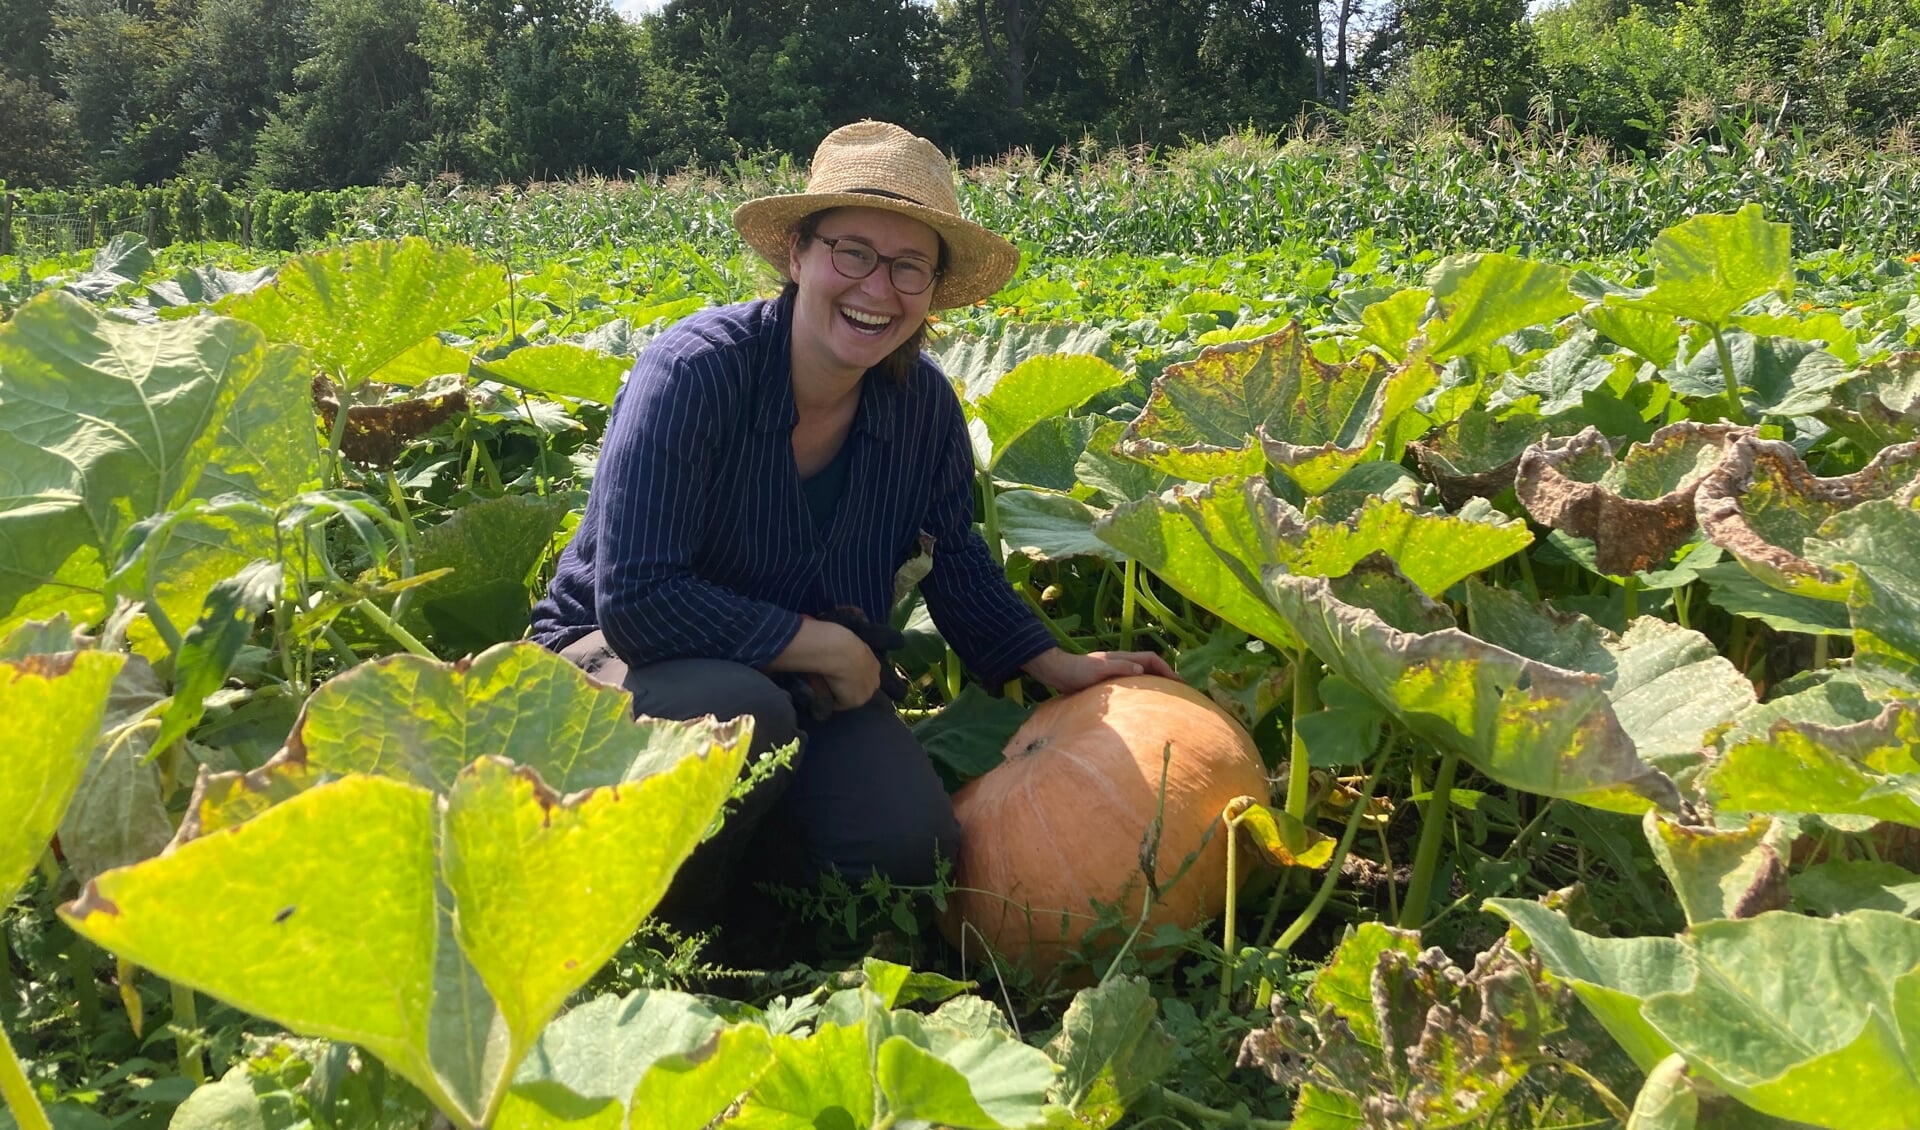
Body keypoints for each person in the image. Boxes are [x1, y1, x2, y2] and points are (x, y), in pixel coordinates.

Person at [528, 120, 1173, 942]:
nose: (879, 288)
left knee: (906, 845)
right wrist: (824, 646)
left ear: (934, 289)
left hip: (800, 687)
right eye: (854, 252)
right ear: (798, 255)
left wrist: (1053, 662)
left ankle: (755, 907)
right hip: (625, 665)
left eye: (911, 266)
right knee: (739, 707)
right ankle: (652, 935)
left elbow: (956, 561)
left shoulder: (923, 408)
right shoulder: (695, 372)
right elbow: (640, 601)